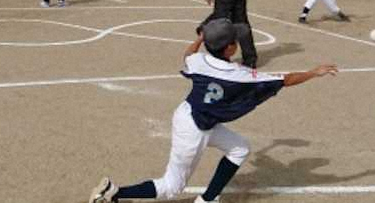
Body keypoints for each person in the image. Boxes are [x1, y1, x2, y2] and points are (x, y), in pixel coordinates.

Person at [88, 18, 337, 203]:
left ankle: (207, 199)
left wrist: (201, 38)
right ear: (230, 48)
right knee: (172, 188)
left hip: (190, 114)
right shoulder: (240, 74)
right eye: (234, 41)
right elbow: (285, 79)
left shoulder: (199, 61)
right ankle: (113, 192)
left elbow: (188, 54)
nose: (237, 42)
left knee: (240, 148)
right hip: (194, 128)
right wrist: (314, 72)